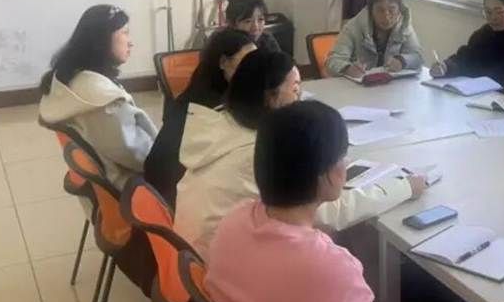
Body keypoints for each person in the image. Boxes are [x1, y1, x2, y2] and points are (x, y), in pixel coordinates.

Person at [174, 49, 426, 255]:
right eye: (295, 90)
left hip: (191, 257)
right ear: (270, 97)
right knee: (334, 242)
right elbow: (326, 212)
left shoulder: (223, 120)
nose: (300, 98)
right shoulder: (261, 149)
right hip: (218, 271)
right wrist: (403, 187)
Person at [206, 100, 397, 302]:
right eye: (342, 156)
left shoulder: (233, 221)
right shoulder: (330, 266)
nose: (345, 163)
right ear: (324, 173)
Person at [39, 4, 158, 188]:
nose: (131, 42)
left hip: (104, 181)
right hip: (131, 185)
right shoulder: (104, 101)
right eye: (125, 33)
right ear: (102, 40)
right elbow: (142, 157)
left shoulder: (66, 78)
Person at [143, 28, 256, 205]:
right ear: (223, 62)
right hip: (177, 199)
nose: (255, 69)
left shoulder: (195, 93)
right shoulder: (216, 110)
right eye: (248, 62)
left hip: (159, 194)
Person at [327, 0, 425, 78]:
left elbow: (418, 57)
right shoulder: (353, 27)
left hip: (390, 85)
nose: (386, 16)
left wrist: (402, 61)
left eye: (392, 9)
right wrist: (347, 69)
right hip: (358, 86)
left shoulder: (404, 26)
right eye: (380, 10)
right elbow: (333, 60)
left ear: (399, 10)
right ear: (371, 11)